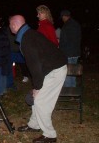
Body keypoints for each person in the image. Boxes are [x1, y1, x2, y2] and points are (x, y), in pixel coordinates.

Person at [9, 15, 67, 143]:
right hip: (50, 68)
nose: (9, 27)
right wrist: (37, 86)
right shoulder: (29, 34)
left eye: (10, 25)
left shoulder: (27, 39)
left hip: (55, 70)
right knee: (37, 98)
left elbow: (34, 66)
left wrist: (37, 87)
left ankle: (50, 135)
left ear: (14, 25)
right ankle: (34, 125)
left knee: (41, 102)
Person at [59, 10, 81, 87]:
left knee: (67, 73)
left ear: (64, 16)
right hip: (75, 52)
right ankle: (73, 93)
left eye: (62, 17)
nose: (62, 19)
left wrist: (60, 48)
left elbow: (64, 41)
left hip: (68, 53)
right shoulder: (76, 24)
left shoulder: (66, 26)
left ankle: (68, 92)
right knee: (73, 72)